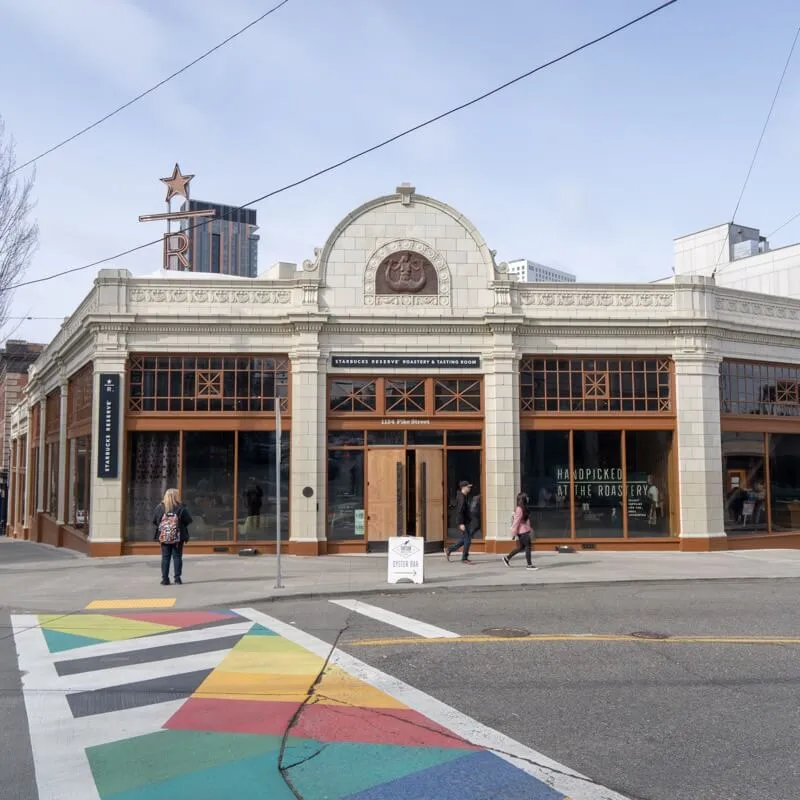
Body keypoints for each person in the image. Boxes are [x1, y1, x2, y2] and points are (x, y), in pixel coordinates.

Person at [153, 488, 192, 586]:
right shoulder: (181, 507)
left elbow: (155, 521)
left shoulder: (160, 508)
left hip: (164, 536)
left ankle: (165, 579)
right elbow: (189, 520)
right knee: (177, 557)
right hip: (178, 537)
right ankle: (177, 579)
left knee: (165, 557)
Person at [503, 492, 537, 570]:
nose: (528, 498)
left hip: (524, 531)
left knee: (522, 547)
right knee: (528, 547)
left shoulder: (524, 508)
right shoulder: (519, 509)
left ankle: (507, 558)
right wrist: (513, 533)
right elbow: (516, 522)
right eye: (526, 497)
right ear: (523, 499)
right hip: (522, 532)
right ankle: (529, 565)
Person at [447, 480, 475, 564]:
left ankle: (450, 549)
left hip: (466, 521)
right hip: (464, 522)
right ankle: (464, 558)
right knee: (468, 540)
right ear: (463, 488)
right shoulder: (462, 498)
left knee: (464, 539)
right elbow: (459, 511)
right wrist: (461, 523)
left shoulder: (463, 496)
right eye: (468, 487)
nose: (470, 488)